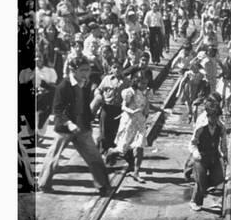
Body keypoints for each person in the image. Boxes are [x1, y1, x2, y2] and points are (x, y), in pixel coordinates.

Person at [37, 56, 111, 196]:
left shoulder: (85, 83)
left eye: (88, 70)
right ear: (73, 70)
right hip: (65, 129)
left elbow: (84, 106)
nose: (86, 73)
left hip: (82, 128)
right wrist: (69, 123)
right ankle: (43, 184)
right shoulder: (63, 86)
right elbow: (58, 109)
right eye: (82, 70)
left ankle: (103, 186)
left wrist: (88, 123)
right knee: (54, 157)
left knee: (94, 157)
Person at [106, 71, 152, 182]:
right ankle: (111, 151)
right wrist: (132, 111)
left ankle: (136, 172)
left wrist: (159, 109)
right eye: (142, 83)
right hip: (129, 122)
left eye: (146, 83)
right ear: (136, 82)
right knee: (122, 148)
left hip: (140, 122)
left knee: (139, 146)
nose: (144, 85)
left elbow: (146, 105)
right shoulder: (130, 92)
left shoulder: (146, 92)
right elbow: (123, 106)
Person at [188, 100, 228, 211]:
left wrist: (225, 156)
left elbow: (223, 143)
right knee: (201, 179)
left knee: (219, 177)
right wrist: (196, 153)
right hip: (201, 156)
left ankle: (204, 187)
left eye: (217, 117)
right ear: (208, 116)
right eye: (212, 117)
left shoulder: (221, 127)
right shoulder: (201, 127)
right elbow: (192, 144)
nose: (215, 120)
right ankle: (195, 201)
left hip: (214, 155)